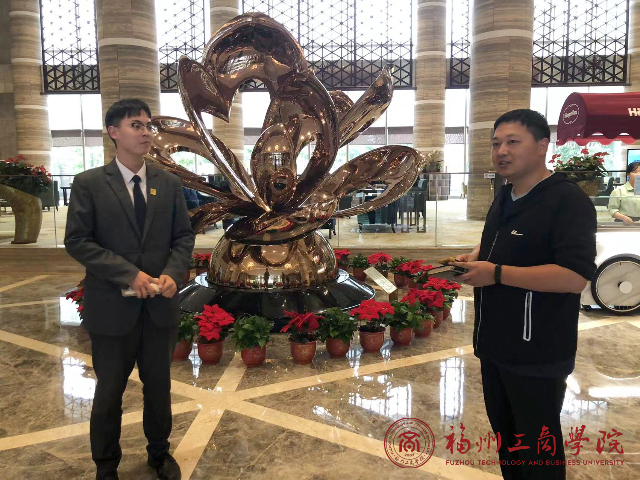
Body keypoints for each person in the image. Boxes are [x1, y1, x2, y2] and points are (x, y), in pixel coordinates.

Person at [452, 109, 597, 480]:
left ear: (542, 146)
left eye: (513, 142)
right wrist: (476, 257)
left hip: (537, 353)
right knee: (510, 445)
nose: (501, 151)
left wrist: (496, 273)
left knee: (538, 453)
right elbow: (504, 243)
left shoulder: (567, 201)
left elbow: (574, 277)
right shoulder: (506, 195)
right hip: (494, 346)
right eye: (496, 143)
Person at [65, 99, 195, 480]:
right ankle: (106, 466)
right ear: (114, 132)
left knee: (159, 388)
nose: (146, 132)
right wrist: (128, 274)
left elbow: (183, 237)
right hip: (112, 311)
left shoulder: (168, 184)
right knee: (109, 393)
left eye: (148, 125)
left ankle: (159, 454)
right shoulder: (90, 183)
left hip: (158, 311)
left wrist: (173, 273)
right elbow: (78, 241)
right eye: (136, 125)